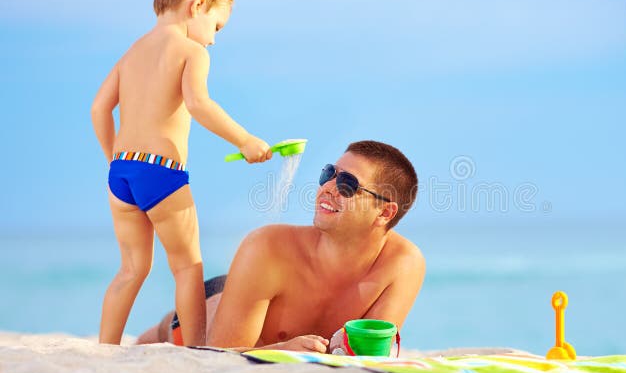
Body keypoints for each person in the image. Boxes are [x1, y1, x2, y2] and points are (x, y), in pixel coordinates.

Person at [91, 0, 271, 346]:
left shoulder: (131, 52)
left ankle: (105, 349)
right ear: (198, 5)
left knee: (131, 269)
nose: (213, 39)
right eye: (216, 26)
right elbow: (199, 103)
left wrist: (112, 158)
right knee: (188, 267)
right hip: (161, 172)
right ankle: (195, 349)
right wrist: (245, 140)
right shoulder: (191, 52)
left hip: (121, 174)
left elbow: (99, 108)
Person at [137, 141, 425, 353]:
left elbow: (367, 353)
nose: (328, 188)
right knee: (157, 336)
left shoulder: (402, 264)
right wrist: (283, 350)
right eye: (329, 174)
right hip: (208, 314)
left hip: (253, 291)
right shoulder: (267, 246)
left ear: (384, 213)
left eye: (348, 184)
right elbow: (218, 355)